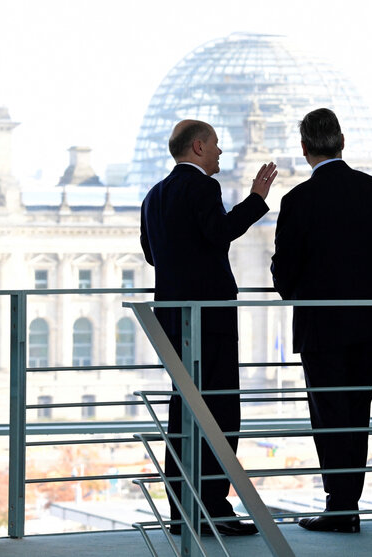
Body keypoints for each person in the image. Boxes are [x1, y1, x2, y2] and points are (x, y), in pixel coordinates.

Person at [140, 119, 278, 536]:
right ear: (198, 147)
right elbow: (219, 232)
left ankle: (183, 510)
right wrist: (256, 199)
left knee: (183, 411)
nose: (221, 152)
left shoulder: (153, 194)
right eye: (216, 144)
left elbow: (151, 254)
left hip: (172, 317)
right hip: (209, 318)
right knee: (219, 412)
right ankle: (214, 508)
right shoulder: (202, 187)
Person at [271, 108, 372, 533]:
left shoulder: (296, 201)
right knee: (358, 413)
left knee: (328, 416)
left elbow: (283, 273)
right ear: (342, 141)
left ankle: (339, 506)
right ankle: (349, 505)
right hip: (368, 325)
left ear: (304, 149)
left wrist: (301, 294)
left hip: (320, 329)